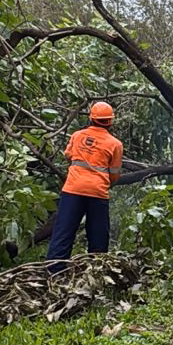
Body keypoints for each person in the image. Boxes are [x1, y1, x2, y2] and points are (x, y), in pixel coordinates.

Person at [47, 101, 124, 273]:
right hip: (98, 193)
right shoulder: (115, 144)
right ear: (110, 121)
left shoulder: (77, 136)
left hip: (73, 190)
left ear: (91, 118)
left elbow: (69, 156)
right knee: (98, 236)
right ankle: (96, 273)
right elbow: (115, 174)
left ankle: (53, 273)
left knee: (63, 232)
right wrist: (102, 183)